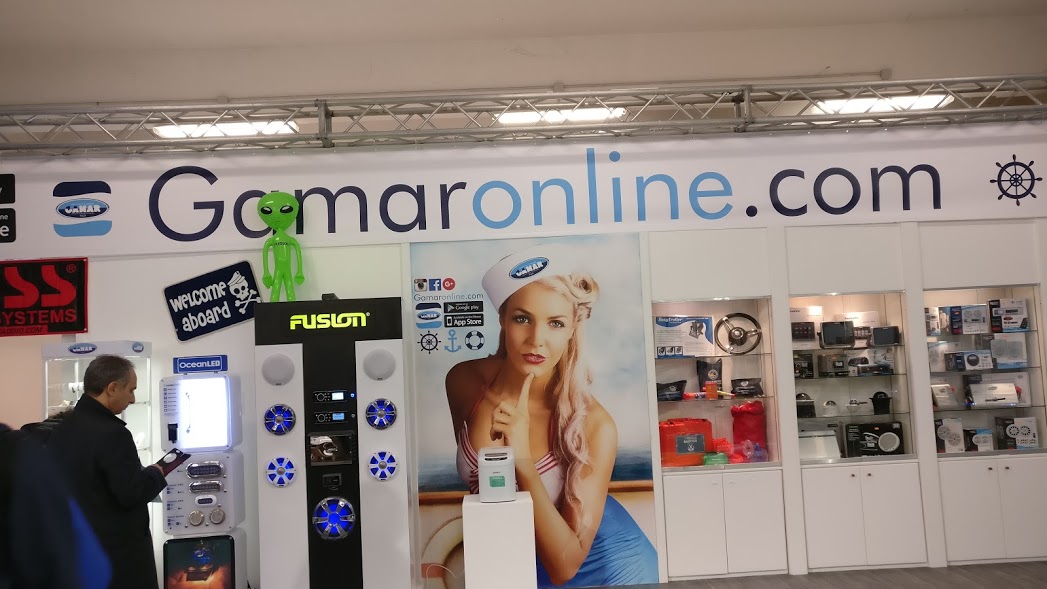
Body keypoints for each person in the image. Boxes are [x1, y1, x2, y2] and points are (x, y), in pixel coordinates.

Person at [446, 246, 658, 587]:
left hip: (609, 568)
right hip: (526, 560)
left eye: (555, 323)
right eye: (522, 318)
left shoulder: (595, 425)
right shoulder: (463, 382)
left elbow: (566, 567)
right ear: (502, 319)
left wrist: (523, 460)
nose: (537, 340)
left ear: (573, 329)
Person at [49, 354, 170, 589]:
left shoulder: (62, 427)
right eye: (131, 390)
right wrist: (156, 473)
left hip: (81, 550)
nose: (132, 399)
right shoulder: (113, 433)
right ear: (112, 388)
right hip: (119, 558)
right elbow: (131, 493)